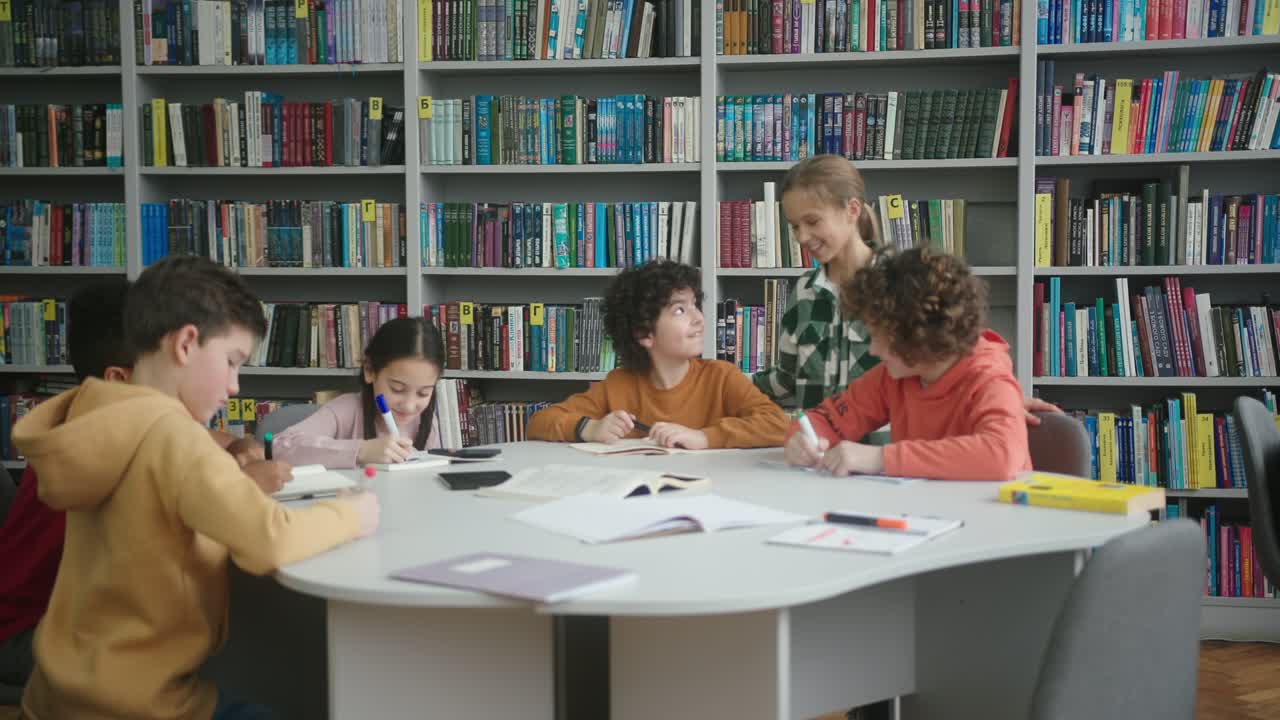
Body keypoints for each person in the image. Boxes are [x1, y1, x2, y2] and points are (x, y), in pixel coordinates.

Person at [10, 257, 380, 719]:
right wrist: (353, 514)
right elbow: (271, 541)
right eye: (231, 362)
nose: (234, 385)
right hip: (140, 705)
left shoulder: (96, 413)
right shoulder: (175, 435)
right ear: (186, 343)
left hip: (55, 696)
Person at [0, 278, 289, 695]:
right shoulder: (92, 447)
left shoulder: (112, 419)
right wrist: (243, 484)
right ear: (120, 379)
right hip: (34, 635)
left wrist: (240, 444)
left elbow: (200, 438)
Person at [752, 154, 1059, 422]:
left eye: (813, 222)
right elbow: (786, 380)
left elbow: (962, 354)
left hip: (892, 460)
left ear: (852, 210)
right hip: (821, 457)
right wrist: (720, 384)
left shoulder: (903, 280)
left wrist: (1003, 399)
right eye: (794, 226)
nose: (802, 237)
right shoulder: (804, 291)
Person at [784, 247, 1032, 481]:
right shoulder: (892, 377)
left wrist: (881, 458)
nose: (873, 350)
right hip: (921, 515)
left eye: (878, 337)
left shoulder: (989, 379)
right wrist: (803, 439)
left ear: (916, 337)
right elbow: (823, 419)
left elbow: (1002, 454)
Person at [527, 260, 789, 448]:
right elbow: (539, 423)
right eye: (679, 310)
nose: (699, 318)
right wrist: (589, 428)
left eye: (695, 305)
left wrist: (705, 437)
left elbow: (779, 426)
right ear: (644, 334)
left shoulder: (722, 377)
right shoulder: (618, 384)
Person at [272, 317, 445, 468]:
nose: (409, 406)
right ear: (369, 370)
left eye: (423, 393)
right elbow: (279, 447)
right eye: (397, 389)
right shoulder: (346, 409)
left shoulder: (428, 422)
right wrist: (361, 450)